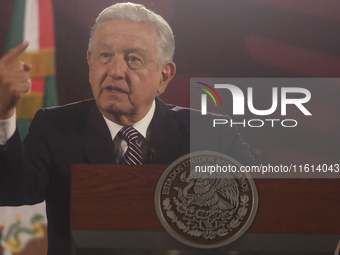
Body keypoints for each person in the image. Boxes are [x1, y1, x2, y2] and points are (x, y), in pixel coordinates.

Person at [0, 2, 257, 254]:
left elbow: (260, 202)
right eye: (105, 55)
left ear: (164, 75)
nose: (115, 71)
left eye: (133, 59)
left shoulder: (210, 133)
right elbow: (12, 190)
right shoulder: (54, 127)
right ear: (90, 62)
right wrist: (3, 114)